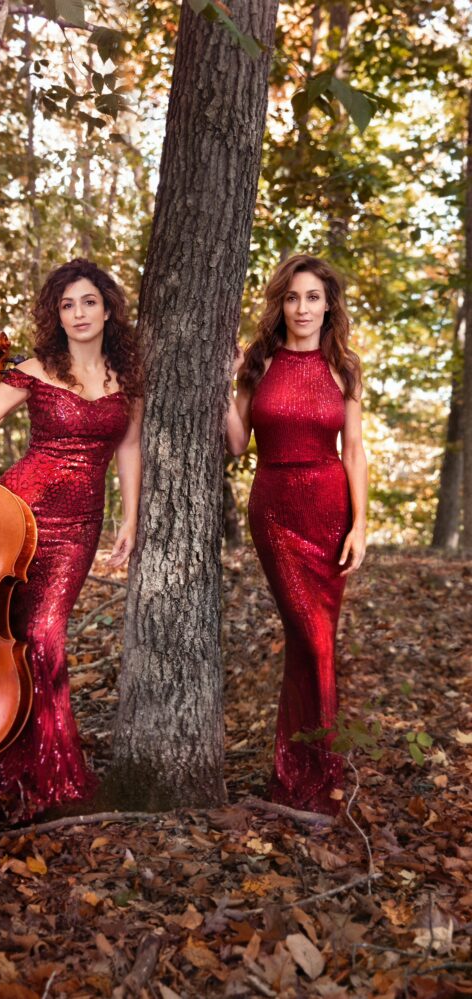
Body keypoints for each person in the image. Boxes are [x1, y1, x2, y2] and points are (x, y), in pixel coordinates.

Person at [0, 259, 143, 825]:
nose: (78, 314)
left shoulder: (128, 377)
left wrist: (130, 517)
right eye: (67, 305)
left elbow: (128, 447)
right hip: (17, 517)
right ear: (57, 314)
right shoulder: (34, 369)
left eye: (89, 303)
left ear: (108, 309)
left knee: (43, 635)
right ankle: (24, 769)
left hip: (79, 525)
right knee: (17, 638)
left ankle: (40, 772)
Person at [227, 254, 367, 816]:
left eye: (313, 297)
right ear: (279, 304)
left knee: (317, 643)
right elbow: (237, 444)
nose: (303, 308)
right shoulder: (258, 364)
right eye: (292, 297)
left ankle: (303, 774)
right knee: (310, 638)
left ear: (328, 303)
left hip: (330, 506)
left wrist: (361, 523)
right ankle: (312, 774)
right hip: (276, 509)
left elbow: (354, 450)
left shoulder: (345, 368)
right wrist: (221, 385)